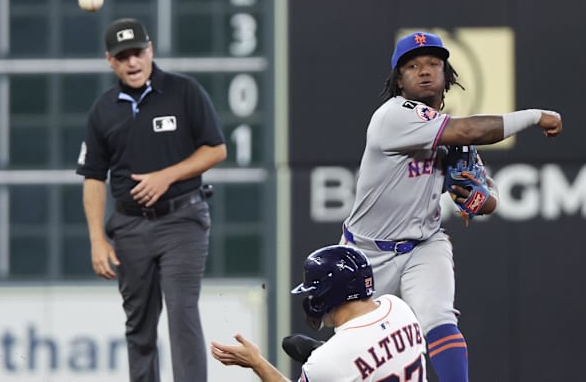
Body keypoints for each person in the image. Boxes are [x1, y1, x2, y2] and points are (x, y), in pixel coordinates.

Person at [335, 31, 563, 382]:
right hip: (367, 251)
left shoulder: (445, 132)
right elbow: (471, 130)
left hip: (424, 244)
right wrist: (534, 116)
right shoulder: (394, 116)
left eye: (433, 64)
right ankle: (318, 354)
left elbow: (488, 200)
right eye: (412, 66)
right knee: (354, 347)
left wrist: (477, 198)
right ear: (399, 79)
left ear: (446, 74)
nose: (424, 71)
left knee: (438, 318)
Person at [76, 17, 227, 382]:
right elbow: (93, 177)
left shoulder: (183, 91)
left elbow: (216, 149)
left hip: (182, 219)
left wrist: (167, 175)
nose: (133, 62)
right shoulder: (103, 109)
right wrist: (97, 239)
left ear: (151, 51)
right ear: (110, 61)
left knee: (182, 311)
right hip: (129, 226)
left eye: (138, 53)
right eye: (123, 56)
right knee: (139, 325)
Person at [211, 245, 428, 382]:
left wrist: (256, 362)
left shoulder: (327, 361)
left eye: (316, 292)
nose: (314, 299)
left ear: (333, 293)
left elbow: (346, 357)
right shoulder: (399, 308)